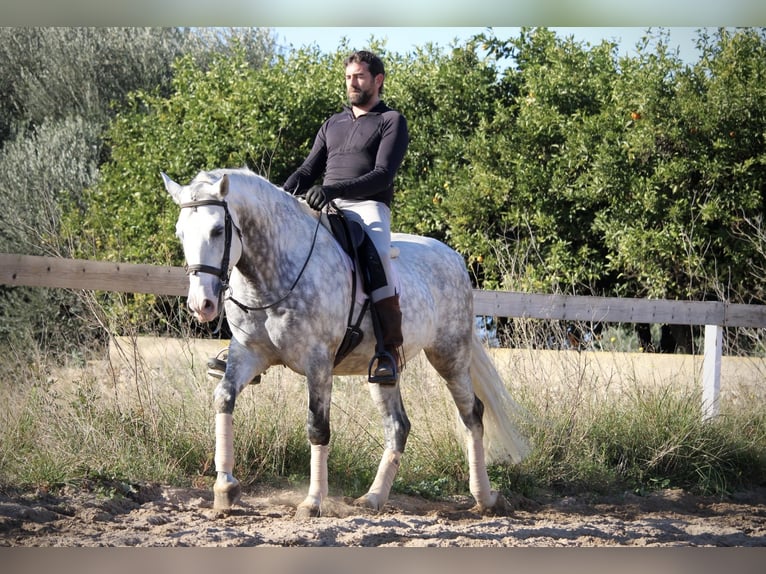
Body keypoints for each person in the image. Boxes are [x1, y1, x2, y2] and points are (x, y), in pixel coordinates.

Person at [283, 50, 409, 383]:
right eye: (349, 77)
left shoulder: (391, 120)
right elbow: (309, 169)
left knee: (379, 254)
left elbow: (383, 174)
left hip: (368, 207)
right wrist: (280, 197)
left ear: (377, 80)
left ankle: (388, 351)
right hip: (325, 205)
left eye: (360, 77)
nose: (352, 83)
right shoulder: (332, 123)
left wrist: (333, 190)